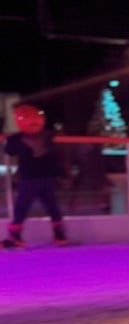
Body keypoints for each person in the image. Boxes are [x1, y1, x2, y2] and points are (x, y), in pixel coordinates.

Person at [3, 104, 68, 248]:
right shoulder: (42, 136)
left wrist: (61, 172)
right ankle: (58, 235)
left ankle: (17, 237)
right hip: (37, 177)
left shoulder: (44, 136)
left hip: (37, 178)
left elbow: (10, 150)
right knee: (40, 206)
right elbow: (10, 150)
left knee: (36, 207)